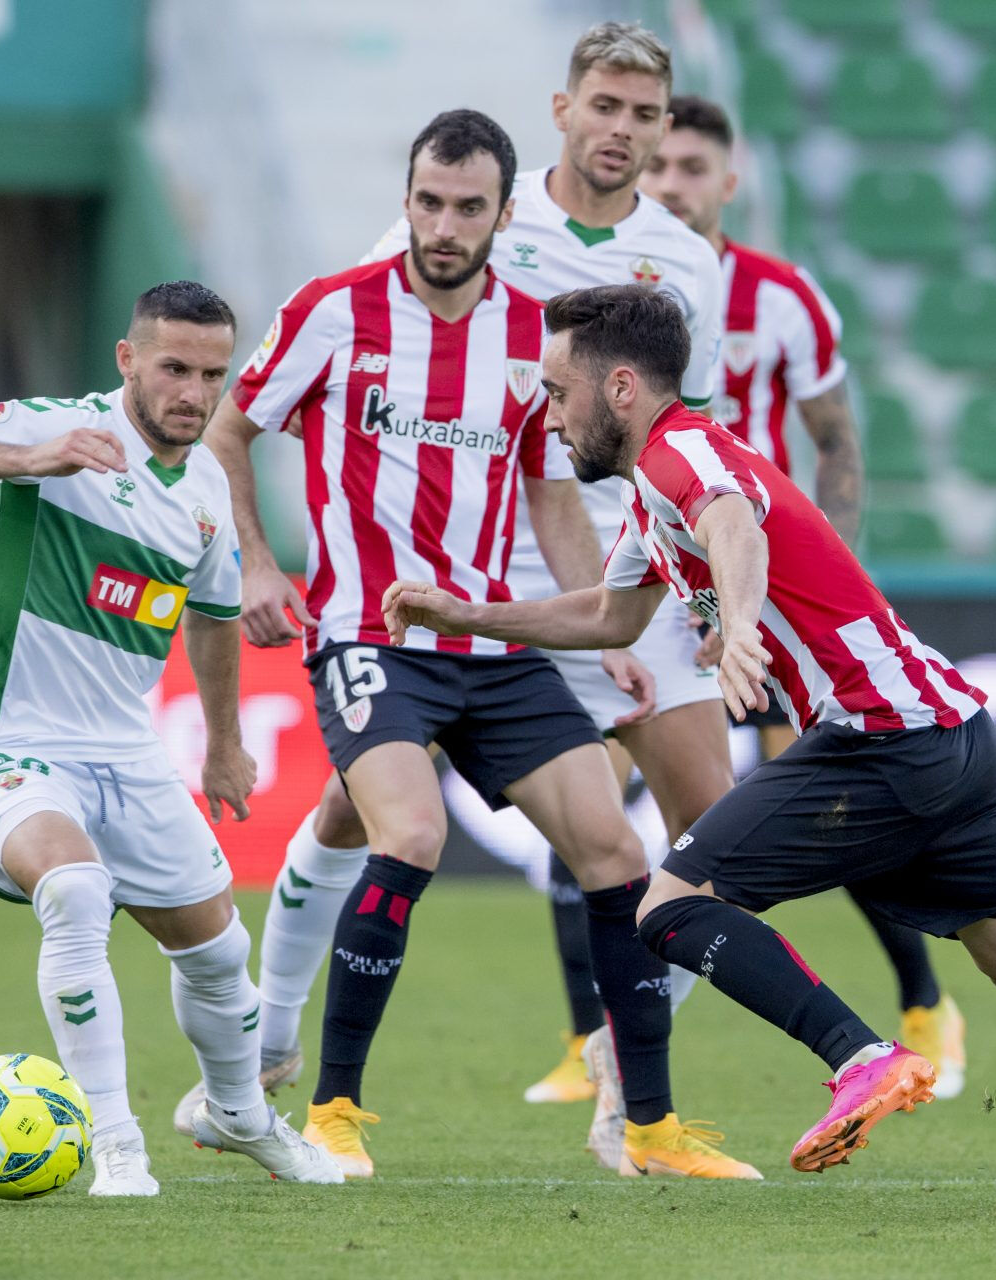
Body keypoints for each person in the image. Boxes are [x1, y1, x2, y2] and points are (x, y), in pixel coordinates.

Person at [379, 283, 996, 1207]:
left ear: (620, 387)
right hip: (950, 734)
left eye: (556, 388)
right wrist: (468, 613)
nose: (549, 409)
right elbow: (611, 614)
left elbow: (731, 520)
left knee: (667, 905)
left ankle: (860, 1056)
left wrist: (738, 626)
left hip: (881, 738)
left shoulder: (680, 455)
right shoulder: (661, 485)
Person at [204, 109, 755, 1181]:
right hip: (368, 629)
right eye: (427, 202)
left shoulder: (531, 339)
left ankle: (645, 1124)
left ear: (508, 213)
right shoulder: (333, 311)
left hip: (493, 645)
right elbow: (231, 428)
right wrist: (260, 564)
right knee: (406, 833)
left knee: (619, 854)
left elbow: (549, 492)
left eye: (467, 207)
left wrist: (601, 632)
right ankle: (332, 1110)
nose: (443, 225)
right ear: (404, 199)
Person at [0, 282, 342, 1194]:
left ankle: (238, 1113)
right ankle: (113, 1141)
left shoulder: (206, 487)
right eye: (174, 368)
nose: (193, 393)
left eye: (212, 375)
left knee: (216, 954)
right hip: (7, 736)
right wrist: (34, 455)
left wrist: (222, 743)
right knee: (79, 891)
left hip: (127, 749)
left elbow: (210, 620)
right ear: (129, 359)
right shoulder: (57, 428)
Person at [631, 92, 971, 1096]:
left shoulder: (782, 298)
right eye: (659, 166)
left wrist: (840, 577)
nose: (672, 184)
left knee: (831, 808)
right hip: (662, 578)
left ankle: (919, 1004)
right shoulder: (623, 302)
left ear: (728, 183)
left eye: (692, 167)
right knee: (619, 809)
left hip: (769, 605)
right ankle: (603, 1042)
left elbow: (836, 440)